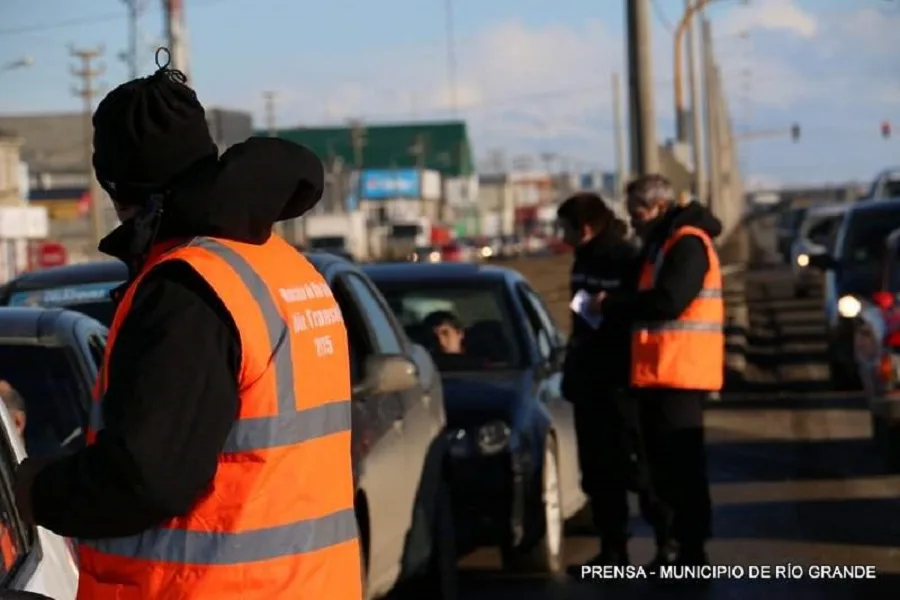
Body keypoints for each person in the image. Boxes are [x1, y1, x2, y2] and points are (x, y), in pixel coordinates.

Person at [13, 51, 361, 600]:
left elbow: (148, 477)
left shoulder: (188, 290)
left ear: (118, 187)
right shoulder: (282, 267)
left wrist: (36, 490)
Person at [599, 174, 722, 569]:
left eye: (635, 211)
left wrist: (616, 305)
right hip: (658, 373)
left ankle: (691, 553)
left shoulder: (686, 244)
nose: (632, 220)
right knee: (663, 473)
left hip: (679, 374)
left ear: (657, 208)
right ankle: (674, 548)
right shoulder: (662, 244)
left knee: (681, 471)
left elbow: (669, 300)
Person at [555, 192, 641, 570]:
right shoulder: (583, 259)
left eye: (566, 228)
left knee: (632, 467)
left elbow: (635, 313)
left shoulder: (624, 258)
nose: (562, 237)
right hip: (589, 379)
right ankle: (613, 550)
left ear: (585, 228)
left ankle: (672, 549)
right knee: (598, 472)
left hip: (619, 380)